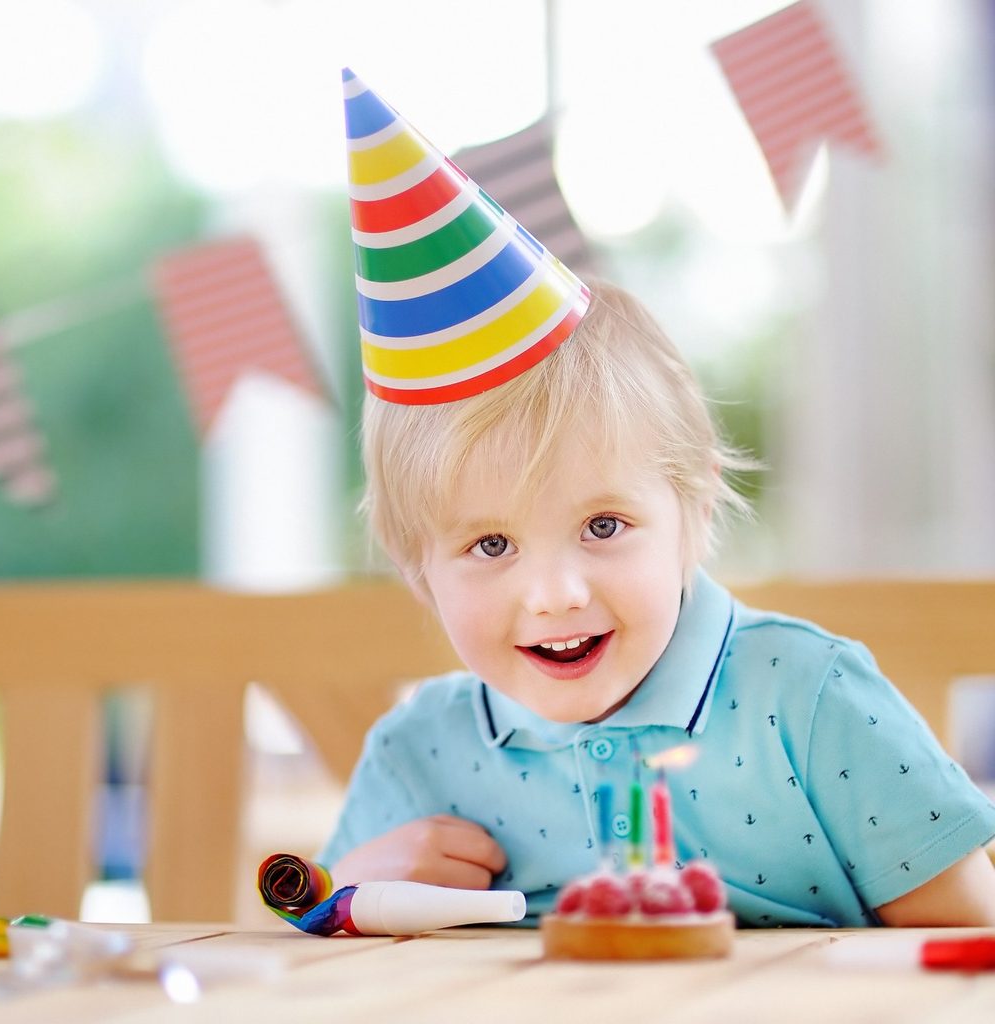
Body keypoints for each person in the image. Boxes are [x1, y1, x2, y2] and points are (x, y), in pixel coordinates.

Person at [320, 69, 995, 927]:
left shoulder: (810, 698)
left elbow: (976, 949)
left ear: (696, 512)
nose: (556, 593)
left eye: (604, 525)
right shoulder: (418, 755)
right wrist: (348, 893)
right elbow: (315, 961)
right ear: (417, 564)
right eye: (490, 546)